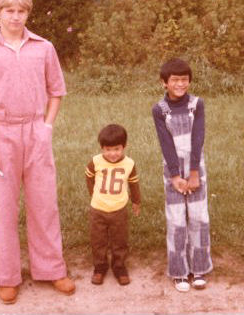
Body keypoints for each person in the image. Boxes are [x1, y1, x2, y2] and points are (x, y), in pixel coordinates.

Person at [0, 0, 75, 304]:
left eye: (21, 11)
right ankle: (6, 275)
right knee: (2, 209)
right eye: (9, 11)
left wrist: (47, 127)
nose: (15, 17)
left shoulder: (43, 47)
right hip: (1, 135)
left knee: (44, 204)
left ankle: (51, 268)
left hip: (36, 133)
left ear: (28, 13)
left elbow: (56, 91)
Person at [152, 58, 213, 292]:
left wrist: (194, 172)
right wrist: (176, 176)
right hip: (172, 170)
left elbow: (198, 137)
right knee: (177, 220)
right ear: (164, 83)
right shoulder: (159, 110)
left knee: (198, 217)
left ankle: (199, 268)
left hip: (196, 167)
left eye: (184, 80)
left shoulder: (197, 104)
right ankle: (179, 271)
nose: (180, 84)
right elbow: (165, 143)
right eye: (175, 80)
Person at [85, 124, 141, 286]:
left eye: (117, 149)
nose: (112, 154)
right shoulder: (95, 162)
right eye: (108, 150)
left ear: (124, 146)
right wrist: (93, 194)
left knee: (120, 240)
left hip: (119, 210)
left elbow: (133, 184)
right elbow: (89, 178)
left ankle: (119, 267)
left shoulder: (129, 164)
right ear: (102, 148)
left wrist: (136, 201)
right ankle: (100, 267)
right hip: (98, 209)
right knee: (98, 240)